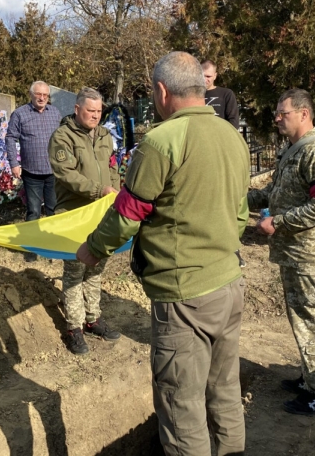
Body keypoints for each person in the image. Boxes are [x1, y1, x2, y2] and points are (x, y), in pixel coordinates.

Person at [76, 52, 250, 456]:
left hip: (183, 295)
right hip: (229, 283)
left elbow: (128, 214)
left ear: (160, 91)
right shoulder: (232, 137)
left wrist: (93, 249)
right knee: (224, 391)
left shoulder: (160, 142)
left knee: (181, 407)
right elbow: (240, 214)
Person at [247, 88, 315, 416]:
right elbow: (276, 192)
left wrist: (278, 222)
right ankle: (310, 377)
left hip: (311, 255)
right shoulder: (294, 150)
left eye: (283, 113)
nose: (276, 118)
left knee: (312, 319)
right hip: (295, 252)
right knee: (302, 317)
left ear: (304, 114)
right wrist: (238, 197)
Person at [48, 87, 122, 354]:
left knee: (96, 267)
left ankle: (93, 319)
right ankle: (74, 328)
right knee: (75, 272)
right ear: (77, 109)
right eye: (90, 111)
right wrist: (98, 190)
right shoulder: (62, 137)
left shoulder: (104, 135)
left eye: (99, 111)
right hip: (74, 215)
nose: (95, 116)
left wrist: (115, 195)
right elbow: (66, 174)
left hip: (101, 213)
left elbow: (113, 167)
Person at [6, 81, 62, 258]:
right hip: (31, 173)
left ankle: (55, 246)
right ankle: (32, 249)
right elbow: (10, 138)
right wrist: (14, 163)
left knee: (54, 210)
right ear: (31, 94)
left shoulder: (55, 113)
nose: (42, 98)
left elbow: (63, 139)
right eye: (39, 94)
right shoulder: (20, 114)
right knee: (34, 212)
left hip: (53, 171)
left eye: (45, 95)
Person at [201, 60, 240, 129]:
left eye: (208, 76)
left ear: (215, 76)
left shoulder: (226, 94)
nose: (205, 79)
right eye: (202, 76)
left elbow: (233, 122)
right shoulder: (192, 95)